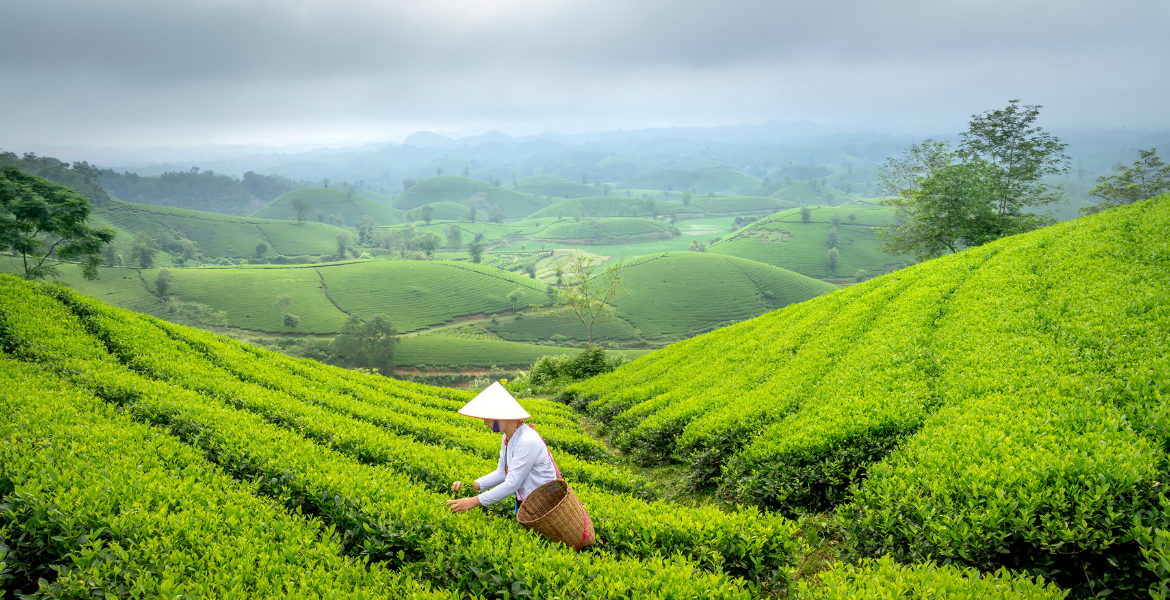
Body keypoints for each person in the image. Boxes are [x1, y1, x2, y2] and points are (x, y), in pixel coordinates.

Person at [446, 382, 559, 516]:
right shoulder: (508, 437)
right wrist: (471, 485)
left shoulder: (527, 440)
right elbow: (501, 473)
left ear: (500, 416)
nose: (485, 423)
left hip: (544, 507)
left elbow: (512, 484)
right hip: (525, 502)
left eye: (487, 418)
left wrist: (473, 501)